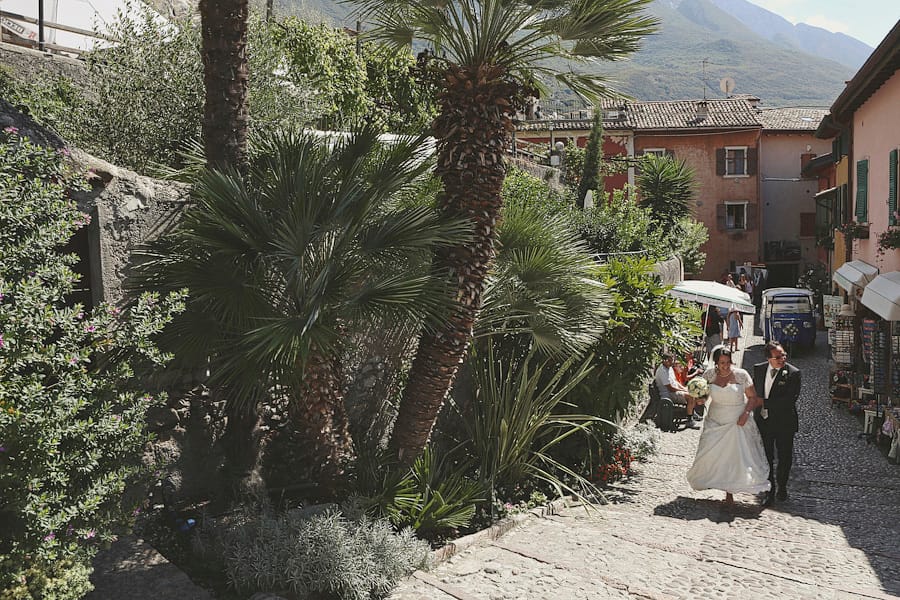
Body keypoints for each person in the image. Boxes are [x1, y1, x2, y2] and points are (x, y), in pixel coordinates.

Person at [686, 347, 771, 505]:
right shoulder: (709, 375)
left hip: (737, 419)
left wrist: (746, 413)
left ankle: (731, 492)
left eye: (728, 362)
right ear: (716, 362)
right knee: (715, 455)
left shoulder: (741, 375)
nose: (726, 365)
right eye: (722, 363)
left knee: (736, 456)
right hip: (716, 419)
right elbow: (704, 398)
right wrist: (698, 399)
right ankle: (720, 485)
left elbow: (752, 398)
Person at [753, 342, 801, 506]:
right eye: (778, 357)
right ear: (769, 358)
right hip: (764, 422)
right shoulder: (758, 369)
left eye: (783, 355)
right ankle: (770, 490)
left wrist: (764, 402)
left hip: (784, 422)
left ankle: (782, 486)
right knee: (766, 458)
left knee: (784, 457)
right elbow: (754, 392)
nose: (782, 359)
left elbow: (789, 400)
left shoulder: (793, 373)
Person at [655, 352, 699, 429]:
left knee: (692, 392)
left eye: (672, 360)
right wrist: (684, 391)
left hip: (674, 391)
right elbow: (670, 388)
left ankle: (691, 412)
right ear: (664, 360)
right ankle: (689, 419)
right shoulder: (663, 371)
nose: (671, 362)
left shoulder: (669, 368)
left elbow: (675, 382)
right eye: (669, 360)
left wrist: (684, 388)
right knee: (690, 396)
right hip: (668, 394)